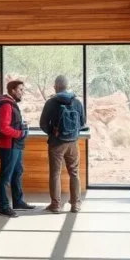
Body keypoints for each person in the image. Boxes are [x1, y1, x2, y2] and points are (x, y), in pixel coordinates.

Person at [39, 75, 86, 214]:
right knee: (74, 173)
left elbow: (42, 123)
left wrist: (53, 134)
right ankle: (76, 204)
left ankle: (56, 205)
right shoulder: (76, 102)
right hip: (72, 143)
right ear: (67, 86)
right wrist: (72, 134)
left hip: (56, 143)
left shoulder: (51, 102)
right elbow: (82, 122)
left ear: (56, 86)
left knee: (55, 174)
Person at [0, 80, 34, 217]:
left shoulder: (12, 105)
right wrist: (20, 133)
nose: (22, 93)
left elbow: (11, 124)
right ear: (12, 90)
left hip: (15, 145)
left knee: (17, 172)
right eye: (21, 90)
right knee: (5, 177)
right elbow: (3, 128)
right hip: (8, 146)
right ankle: (3, 207)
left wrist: (21, 126)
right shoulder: (6, 105)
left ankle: (18, 201)